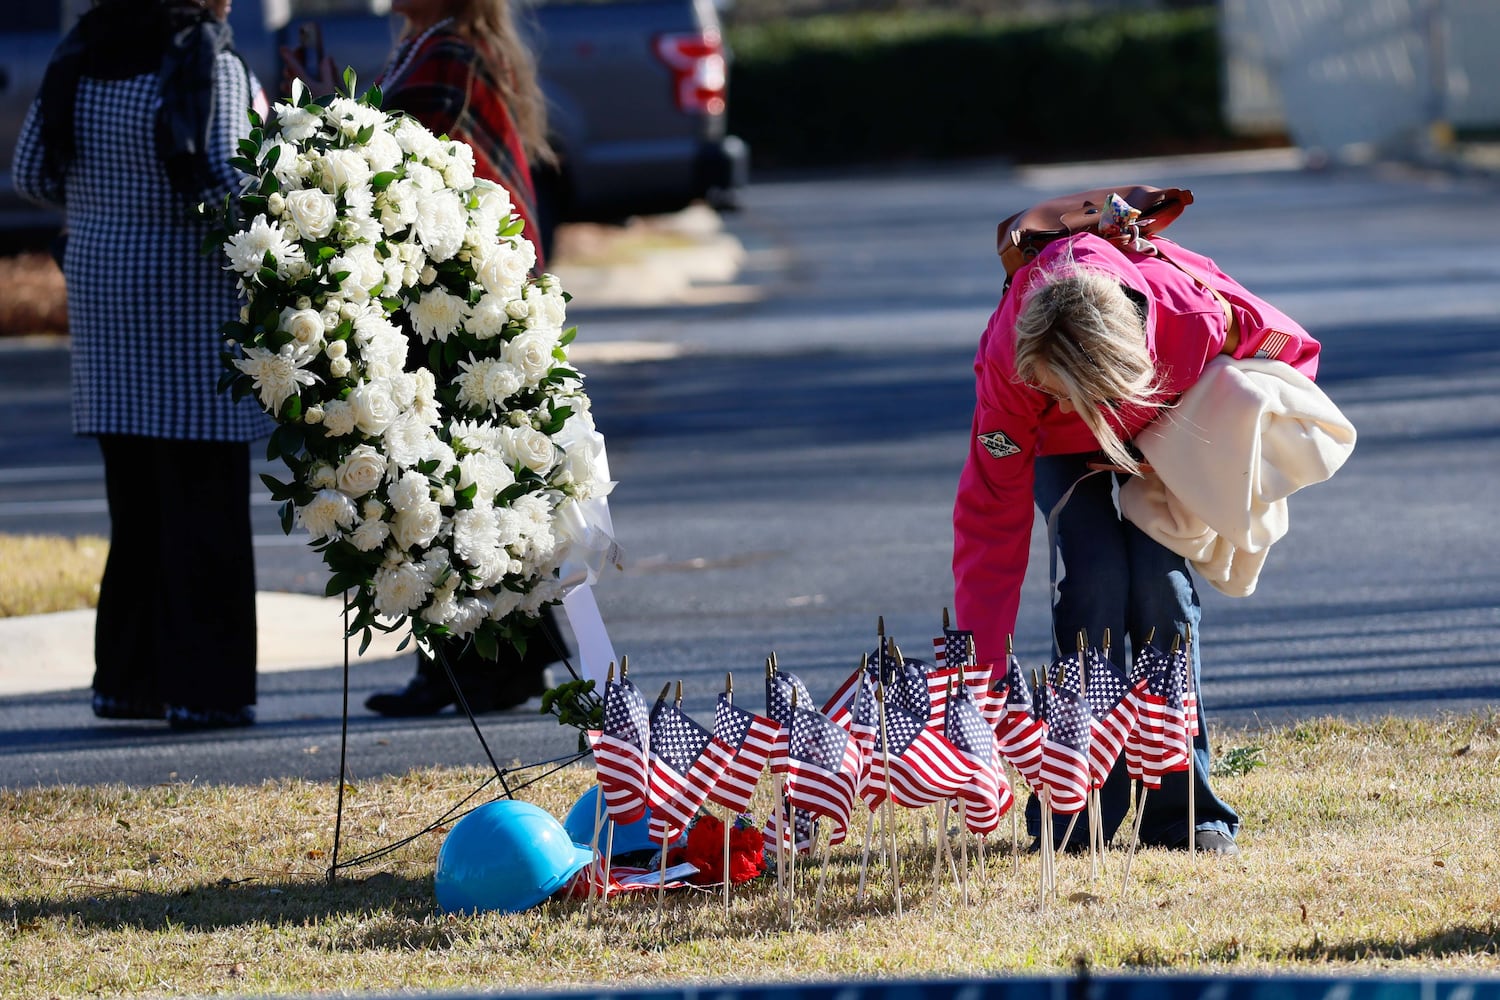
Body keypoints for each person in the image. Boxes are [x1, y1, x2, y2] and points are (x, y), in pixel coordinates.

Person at [952, 221, 1322, 856]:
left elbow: (1294, 358)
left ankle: (1184, 810)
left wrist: (1215, 437)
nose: (1053, 397)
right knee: (1094, 580)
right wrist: (981, 671)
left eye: (1063, 392)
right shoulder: (1010, 370)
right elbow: (990, 518)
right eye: (1048, 389)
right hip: (1064, 456)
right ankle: (1078, 805)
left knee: (1163, 593)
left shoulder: (1195, 316)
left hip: (1164, 429)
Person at [284, 0, 569, 717]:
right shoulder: (435, 45)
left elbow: (403, 156)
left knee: (446, 485)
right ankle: (494, 661)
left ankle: (477, 665)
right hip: (451, 290)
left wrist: (328, 122)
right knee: (459, 484)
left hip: (463, 294)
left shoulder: (453, 55)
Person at [12, 0, 273, 729]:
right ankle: (207, 690)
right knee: (206, 505)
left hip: (103, 296)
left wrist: (103, 206)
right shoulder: (208, 62)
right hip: (188, 299)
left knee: (135, 504)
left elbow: (31, 172)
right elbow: (221, 179)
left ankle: (127, 683)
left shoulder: (84, 51)